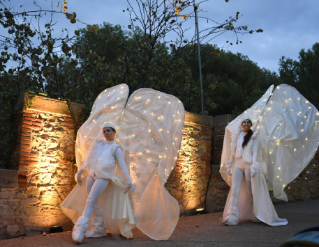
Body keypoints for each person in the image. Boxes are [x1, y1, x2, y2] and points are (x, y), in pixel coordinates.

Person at [61, 122, 135, 244]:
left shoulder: (115, 148)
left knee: (90, 200)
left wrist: (129, 181)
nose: (106, 133)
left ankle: (80, 228)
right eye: (104, 131)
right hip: (92, 175)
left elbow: (123, 166)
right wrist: (80, 172)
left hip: (104, 177)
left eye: (108, 131)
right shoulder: (99, 144)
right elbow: (89, 159)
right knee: (93, 202)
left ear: (114, 132)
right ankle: (99, 228)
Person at [222, 117, 288, 226]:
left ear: (251, 125)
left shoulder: (254, 137)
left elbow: (255, 152)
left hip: (248, 165)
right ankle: (232, 216)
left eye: (248, 122)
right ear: (241, 124)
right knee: (235, 190)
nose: (246, 124)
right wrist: (230, 166)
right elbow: (233, 152)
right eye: (244, 122)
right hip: (238, 165)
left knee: (251, 191)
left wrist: (253, 166)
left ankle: (255, 213)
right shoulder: (237, 136)